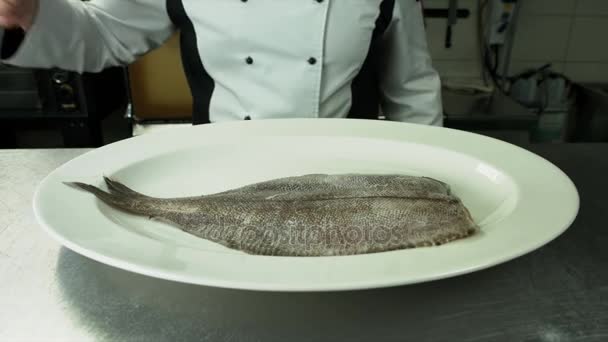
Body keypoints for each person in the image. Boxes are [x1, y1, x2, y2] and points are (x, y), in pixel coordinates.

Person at [0, 0, 443, 126]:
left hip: (349, 179)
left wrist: (433, 176)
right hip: (218, 170)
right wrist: (28, 16)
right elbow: (102, 35)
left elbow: (412, 87)